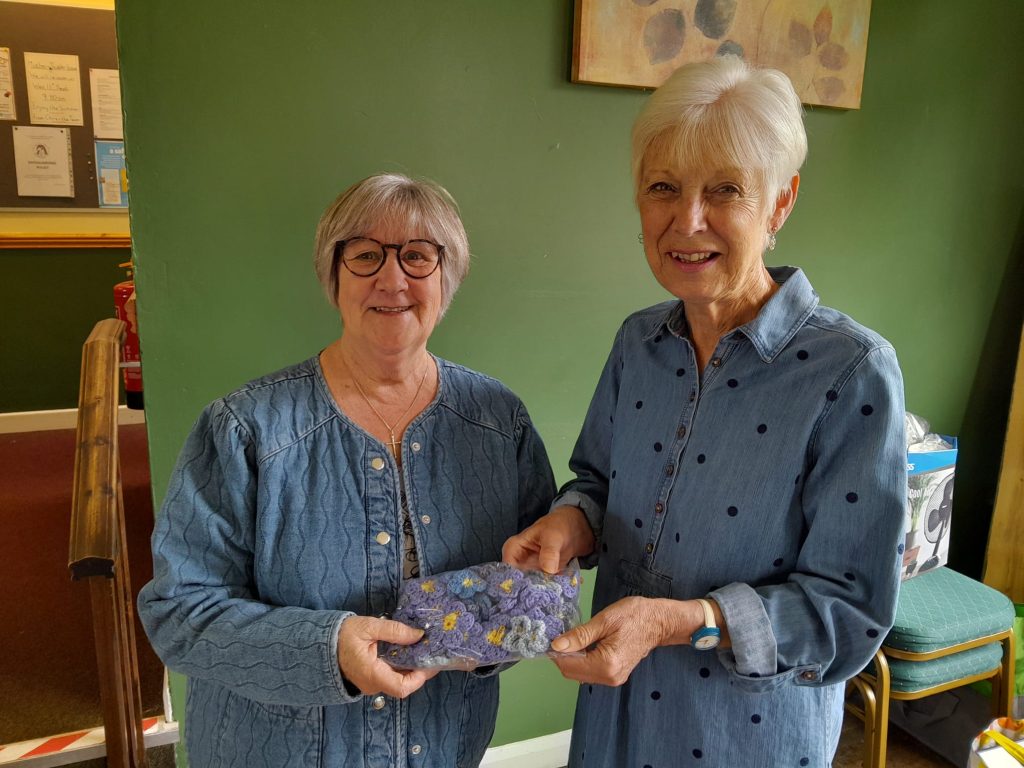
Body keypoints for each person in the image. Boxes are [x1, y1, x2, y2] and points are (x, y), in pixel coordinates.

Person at [503, 56, 907, 766]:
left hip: (742, 732)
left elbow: (847, 611)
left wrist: (685, 621)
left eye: (726, 190)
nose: (687, 221)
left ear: (780, 202)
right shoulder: (639, 341)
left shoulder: (851, 372)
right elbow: (596, 481)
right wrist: (571, 521)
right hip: (616, 709)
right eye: (664, 188)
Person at [138, 173, 556, 768]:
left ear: (449, 277)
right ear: (333, 276)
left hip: (443, 745)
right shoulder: (244, 428)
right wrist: (326, 650)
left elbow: (531, 580)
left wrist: (489, 636)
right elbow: (180, 614)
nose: (392, 279)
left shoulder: (497, 420)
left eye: (418, 256)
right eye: (365, 255)